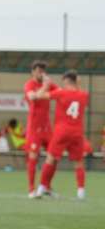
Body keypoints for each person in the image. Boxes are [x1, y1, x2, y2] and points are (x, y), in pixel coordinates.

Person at [33, 71, 90, 199]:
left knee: (50, 159)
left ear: (66, 81)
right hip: (77, 133)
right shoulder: (84, 95)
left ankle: (41, 189)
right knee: (79, 162)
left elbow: (38, 96)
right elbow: (78, 91)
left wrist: (46, 85)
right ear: (76, 81)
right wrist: (78, 83)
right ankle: (81, 192)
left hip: (61, 132)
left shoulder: (61, 93)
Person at [23, 61, 58, 197]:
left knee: (54, 156)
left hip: (47, 127)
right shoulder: (29, 84)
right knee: (33, 157)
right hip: (34, 128)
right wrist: (45, 86)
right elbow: (33, 97)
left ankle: (47, 187)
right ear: (33, 72)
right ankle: (31, 189)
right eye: (38, 71)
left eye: (43, 71)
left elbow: (61, 92)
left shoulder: (48, 84)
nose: (41, 74)